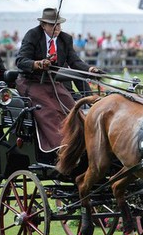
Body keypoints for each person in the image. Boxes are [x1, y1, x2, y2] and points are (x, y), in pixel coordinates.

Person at [15, 8, 102, 154]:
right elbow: (21, 60)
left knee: (71, 107)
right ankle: (59, 146)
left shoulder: (65, 39)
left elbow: (74, 61)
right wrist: (38, 64)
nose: (57, 29)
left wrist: (89, 69)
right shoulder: (33, 35)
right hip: (31, 81)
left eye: (59, 25)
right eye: (52, 25)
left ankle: (81, 140)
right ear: (43, 25)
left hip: (53, 82)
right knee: (48, 109)